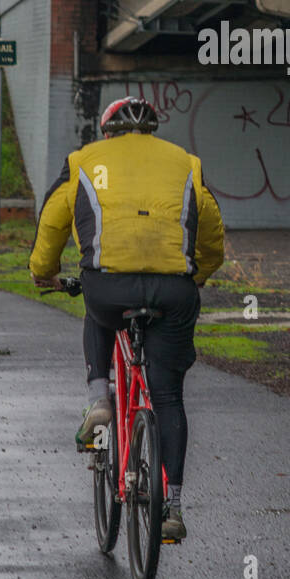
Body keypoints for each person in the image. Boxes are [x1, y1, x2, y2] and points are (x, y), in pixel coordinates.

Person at [29, 95, 224, 541]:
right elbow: (211, 230)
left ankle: (100, 400)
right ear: (151, 130)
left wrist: (44, 273)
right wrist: (200, 275)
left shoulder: (82, 161)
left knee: (98, 308)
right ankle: (172, 507)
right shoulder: (186, 163)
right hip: (173, 291)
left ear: (106, 131)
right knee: (169, 398)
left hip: (109, 288)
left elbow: (53, 220)